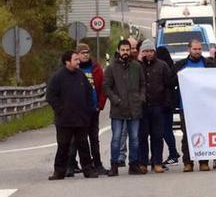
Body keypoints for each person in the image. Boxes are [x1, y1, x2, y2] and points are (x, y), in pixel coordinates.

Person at [46, 51, 99, 180]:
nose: (78, 61)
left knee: (83, 145)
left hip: (81, 118)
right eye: (75, 59)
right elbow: (51, 96)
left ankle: (88, 170)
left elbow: (88, 93)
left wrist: (88, 110)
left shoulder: (81, 75)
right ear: (67, 62)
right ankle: (59, 171)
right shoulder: (58, 77)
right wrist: (60, 110)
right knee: (63, 146)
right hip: (64, 120)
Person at [103, 39, 146, 176]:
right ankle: (114, 165)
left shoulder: (136, 66)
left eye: (127, 50)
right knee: (116, 138)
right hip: (118, 109)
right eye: (123, 50)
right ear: (118, 51)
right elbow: (106, 87)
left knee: (134, 138)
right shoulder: (111, 68)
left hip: (134, 108)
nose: (125, 52)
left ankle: (134, 164)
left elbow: (142, 84)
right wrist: (115, 100)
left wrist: (141, 98)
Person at [173, 39, 215, 172]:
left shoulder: (208, 64)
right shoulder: (180, 65)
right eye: (194, 49)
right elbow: (171, 81)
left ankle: (204, 161)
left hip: (204, 106)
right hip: (185, 106)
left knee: (203, 133)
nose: (197, 52)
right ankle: (188, 162)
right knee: (186, 135)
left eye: (199, 49)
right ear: (189, 49)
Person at [67, 43, 107, 176]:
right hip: (78, 111)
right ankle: (72, 165)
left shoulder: (96, 68)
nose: (85, 55)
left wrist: (100, 105)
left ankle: (97, 164)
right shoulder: (75, 69)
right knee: (76, 139)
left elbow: (102, 87)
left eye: (87, 52)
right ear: (77, 54)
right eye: (82, 52)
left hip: (93, 109)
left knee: (94, 138)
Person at [138, 39, 172, 174]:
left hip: (158, 106)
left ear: (154, 51)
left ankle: (157, 162)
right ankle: (143, 163)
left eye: (150, 51)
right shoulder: (137, 66)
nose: (148, 53)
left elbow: (168, 85)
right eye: (145, 51)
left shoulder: (162, 66)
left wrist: (167, 103)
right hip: (142, 107)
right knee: (142, 136)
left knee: (157, 136)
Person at [156, 46, 181, 167]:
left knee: (165, 130)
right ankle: (173, 152)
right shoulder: (173, 67)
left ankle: (173, 153)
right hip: (169, 104)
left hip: (164, 104)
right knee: (167, 130)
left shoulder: (162, 68)